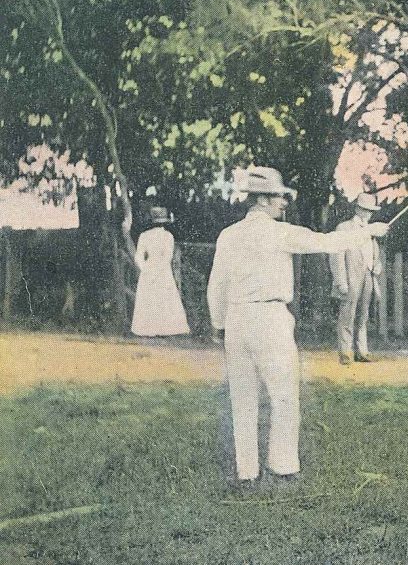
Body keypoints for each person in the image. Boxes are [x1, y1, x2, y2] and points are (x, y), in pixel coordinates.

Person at [206, 166, 389, 484]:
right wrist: (368, 233)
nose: (284, 203)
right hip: (270, 319)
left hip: (237, 321)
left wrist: (218, 323)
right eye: (279, 197)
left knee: (243, 399)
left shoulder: (228, 235)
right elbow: (328, 242)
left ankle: (246, 472)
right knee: (284, 396)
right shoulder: (280, 232)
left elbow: (216, 285)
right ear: (262, 199)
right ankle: (283, 467)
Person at [329, 192, 384, 364]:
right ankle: (345, 353)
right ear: (357, 208)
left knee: (363, 314)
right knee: (347, 314)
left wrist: (377, 266)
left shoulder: (372, 232)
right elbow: (336, 256)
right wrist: (341, 281)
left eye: (371, 210)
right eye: (365, 209)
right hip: (350, 277)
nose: (368, 213)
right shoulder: (344, 228)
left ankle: (362, 351)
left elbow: (375, 256)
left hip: (368, 276)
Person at [131, 206, 190, 337]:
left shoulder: (145, 236)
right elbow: (167, 257)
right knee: (162, 299)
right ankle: (163, 329)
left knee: (153, 298)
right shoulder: (168, 236)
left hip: (150, 268)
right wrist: (153, 271)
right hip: (161, 270)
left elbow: (138, 257)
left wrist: (146, 269)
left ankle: (150, 329)